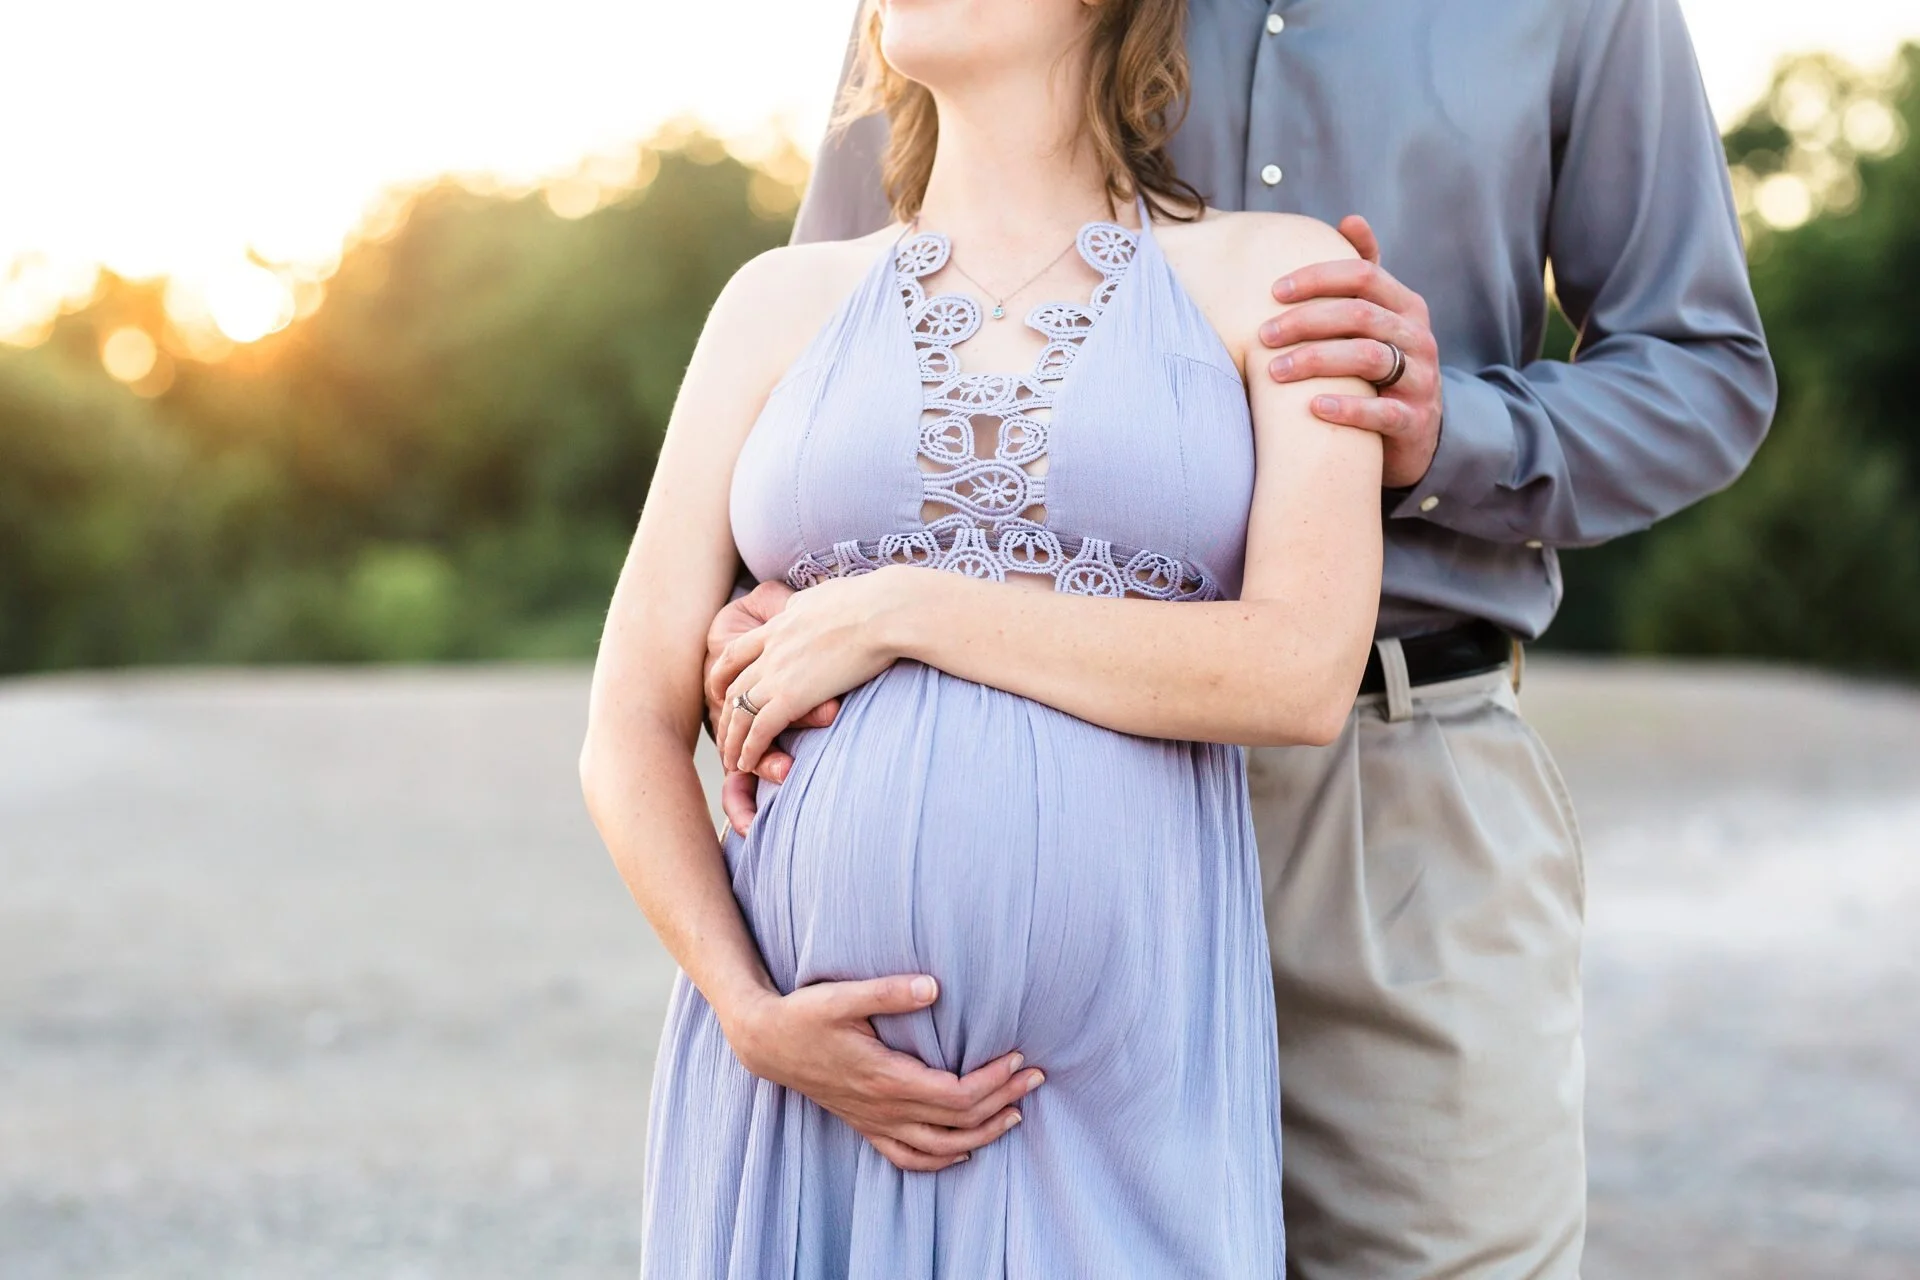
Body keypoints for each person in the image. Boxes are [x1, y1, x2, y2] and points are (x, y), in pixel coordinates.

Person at [711, 0, 1778, 1275]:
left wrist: (1452, 432)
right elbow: (834, 350)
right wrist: (772, 590)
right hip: (1036, 802)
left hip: (1390, 793)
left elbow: (1706, 368)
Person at [578, 0, 1396, 1271]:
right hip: (804, 1095)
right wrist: (749, 1012)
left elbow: (1299, 671)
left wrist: (904, 606)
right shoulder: (775, 301)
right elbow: (626, 723)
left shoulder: (1275, 277)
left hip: (1120, 1097)